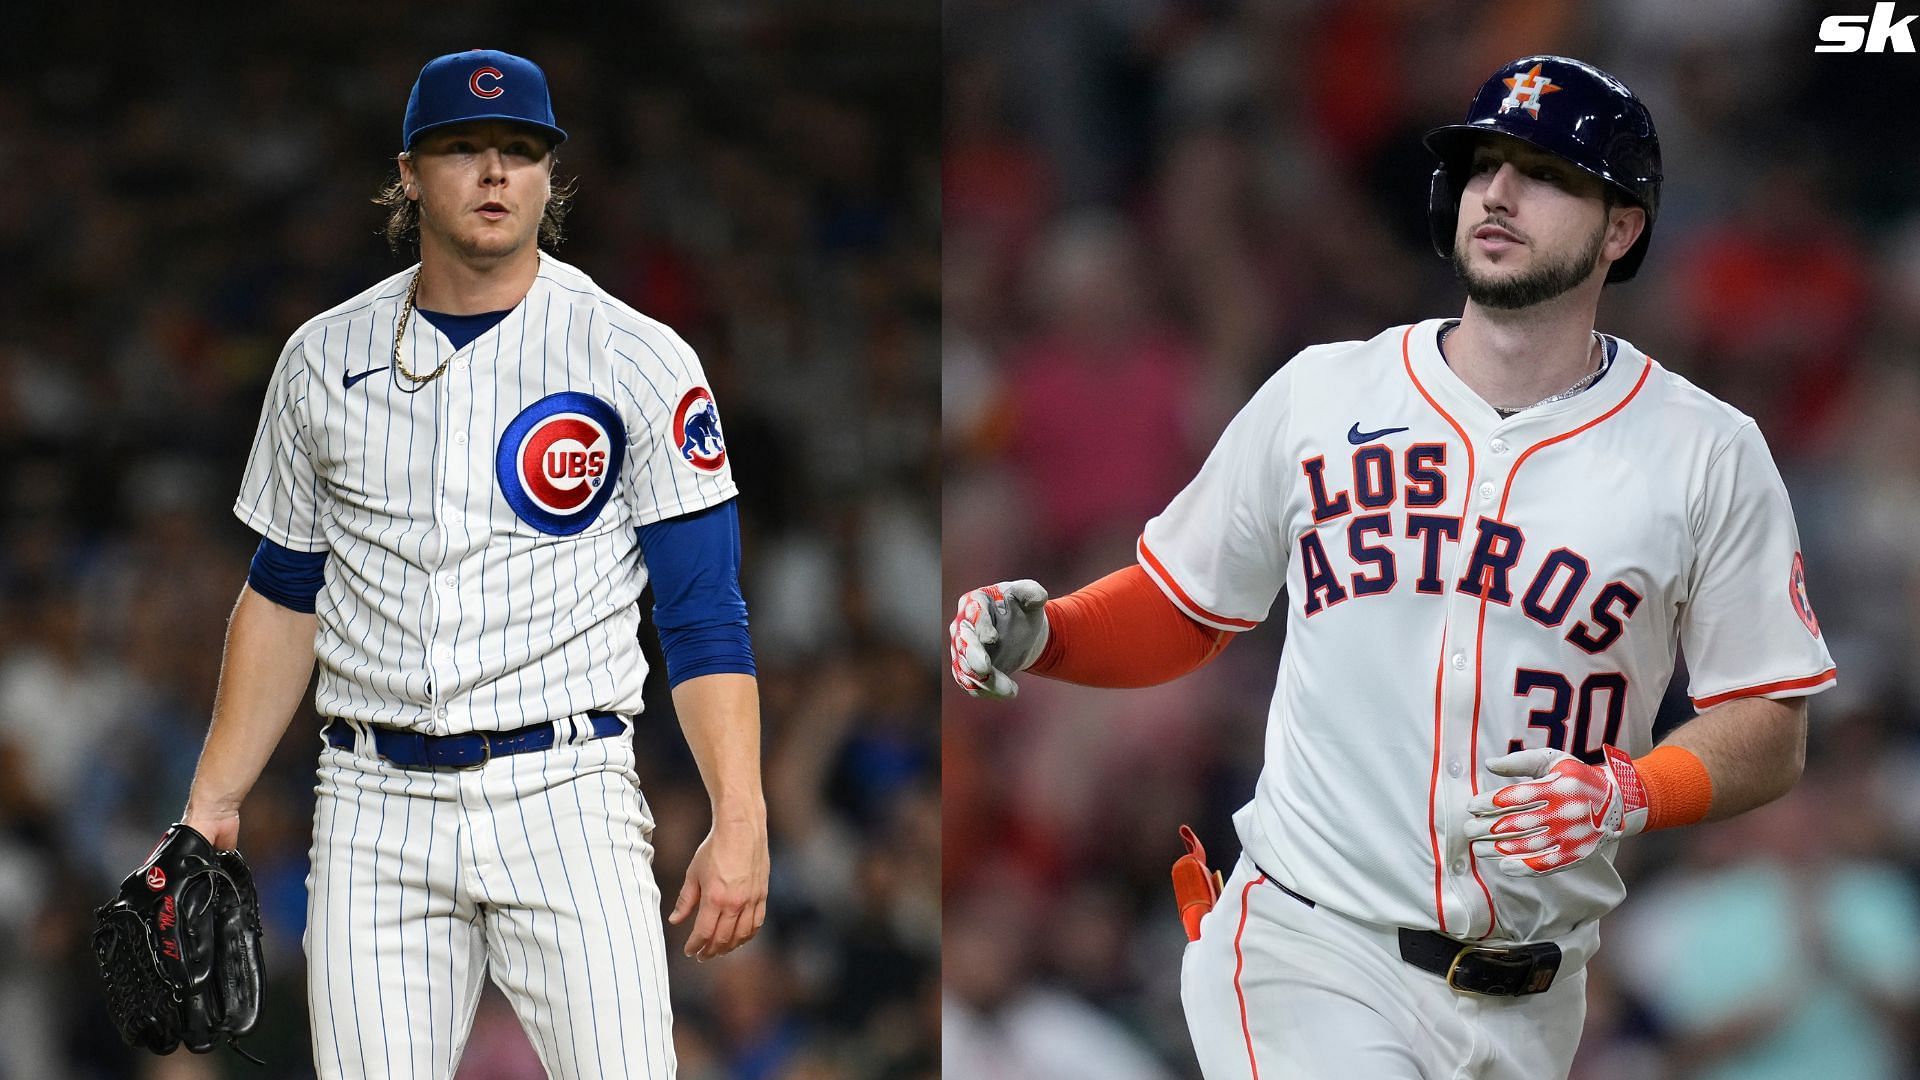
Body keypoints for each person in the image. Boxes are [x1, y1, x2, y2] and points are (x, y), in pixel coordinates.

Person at [950, 55, 1835, 1080]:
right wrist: (1055, 633)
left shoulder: (1705, 452)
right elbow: (1188, 603)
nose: (1498, 192)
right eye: (1484, 164)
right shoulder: (1325, 393)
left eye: (1546, 173)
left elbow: (1770, 724)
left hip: (1533, 997)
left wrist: (1633, 790)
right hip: (1310, 946)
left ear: (1622, 227)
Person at [180, 49, 767, 1078]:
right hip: (373, 799)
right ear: (409, 172)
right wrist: (212, 798)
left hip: (568, 789)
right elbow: (284, 590)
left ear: (551, 176)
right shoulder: (322, 357)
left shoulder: (636, 355)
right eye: (463, 150)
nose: (494, 174)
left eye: (519, 151)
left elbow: (702, 610)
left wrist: (740, 816)